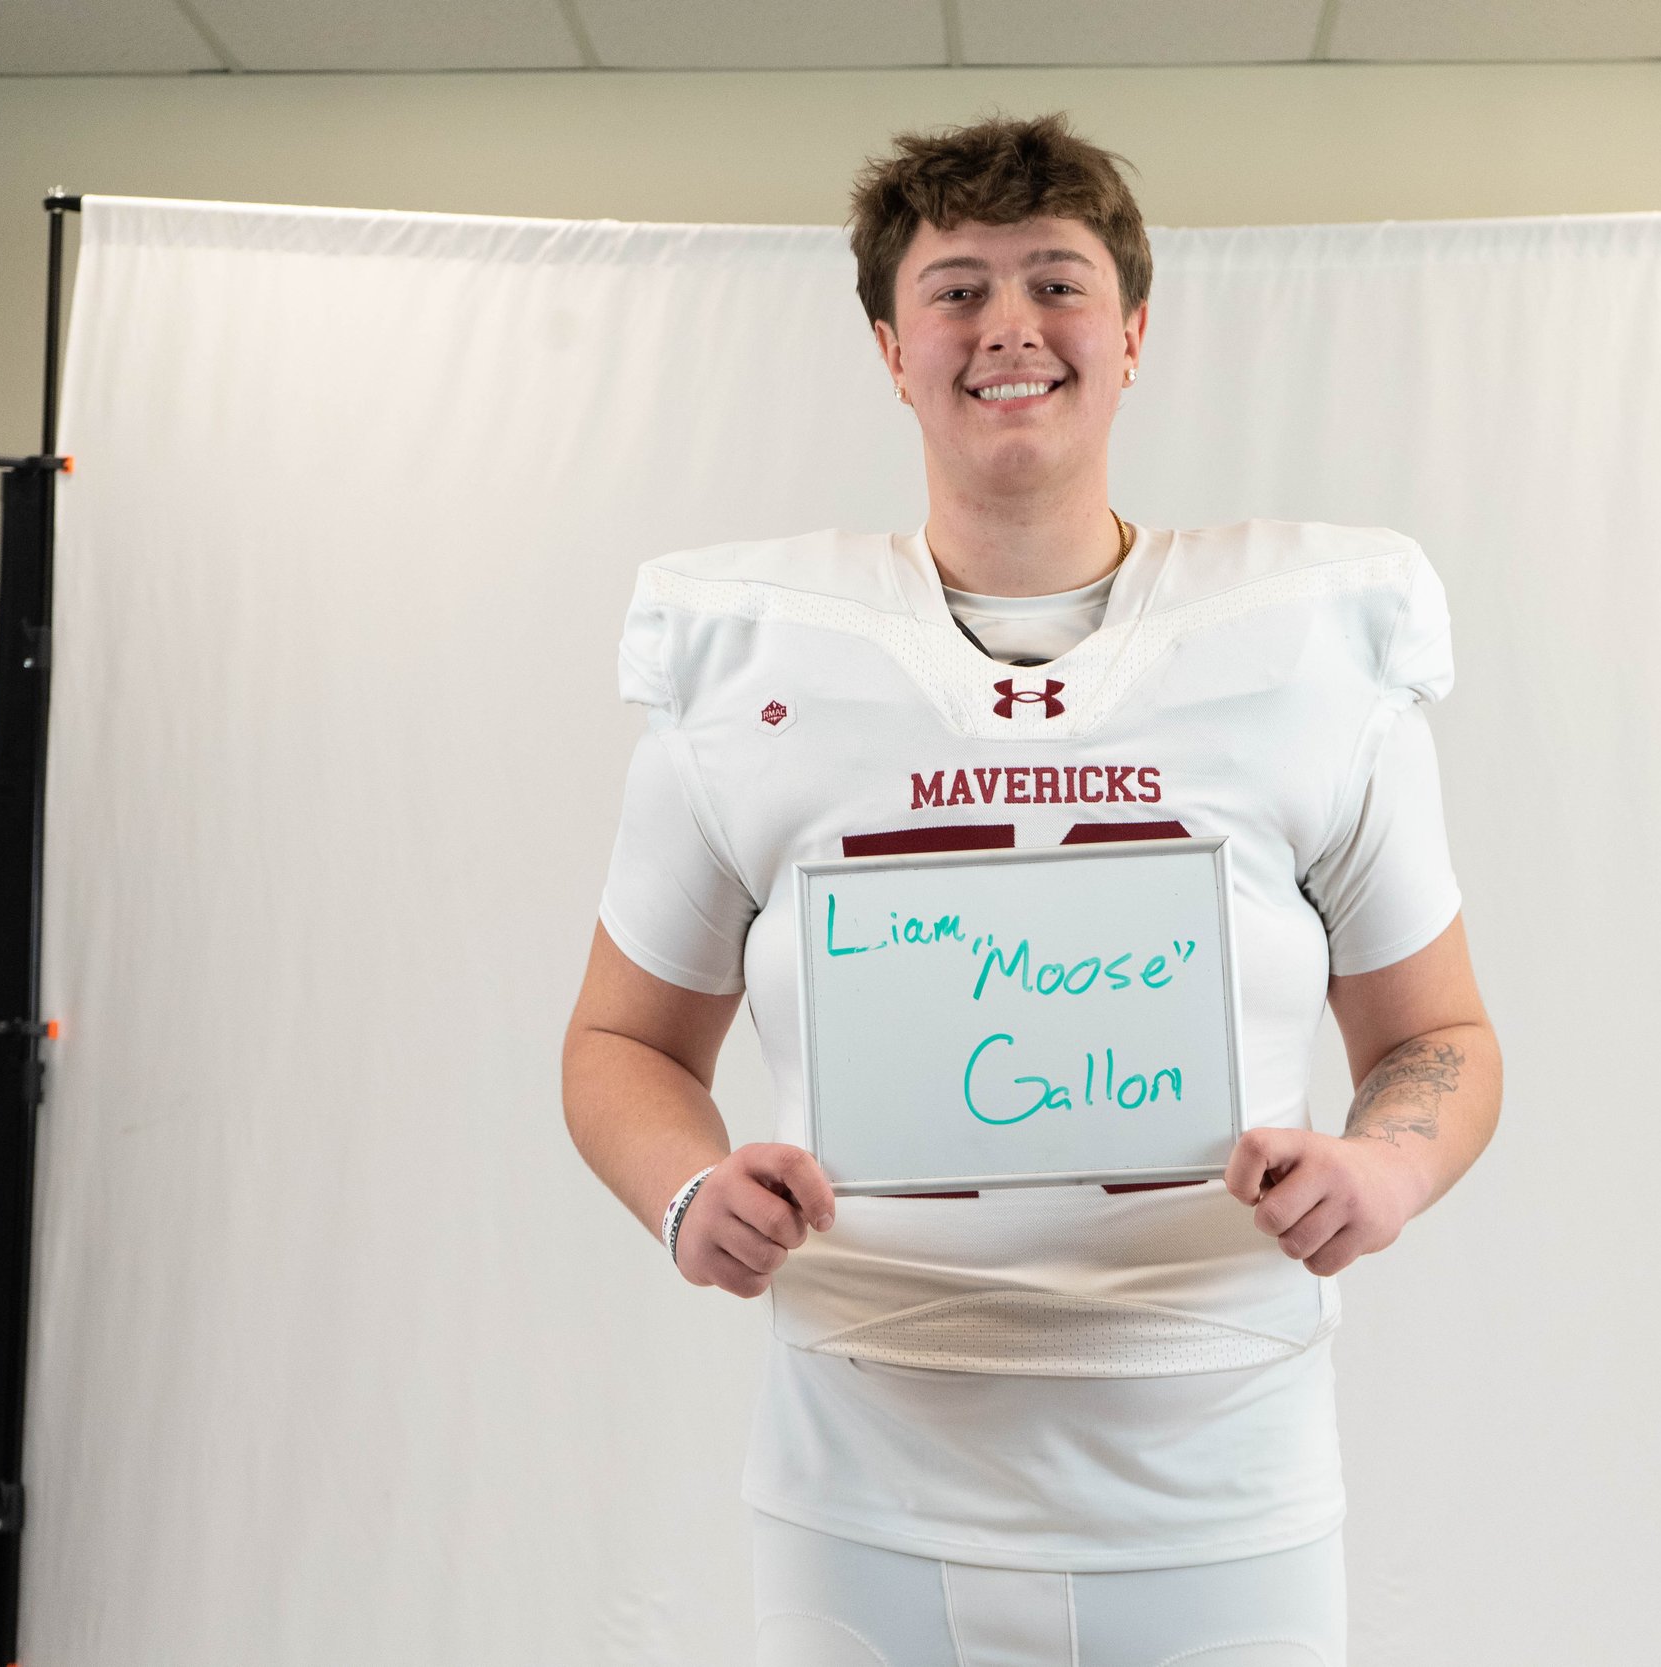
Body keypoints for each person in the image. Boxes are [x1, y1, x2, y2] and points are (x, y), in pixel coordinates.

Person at [562, 111, 1503, 1667]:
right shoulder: (757, 669)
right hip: (862, 1474)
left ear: (1132, 334)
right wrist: (687, 1192)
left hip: (1218, 1473)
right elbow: (622, 1042)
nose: (1009, 326)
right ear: (891, 348)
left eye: (1057, 282)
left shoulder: (1301, 656)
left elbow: (1439, 1034)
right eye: (957, 290)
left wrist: (1385, 1170)